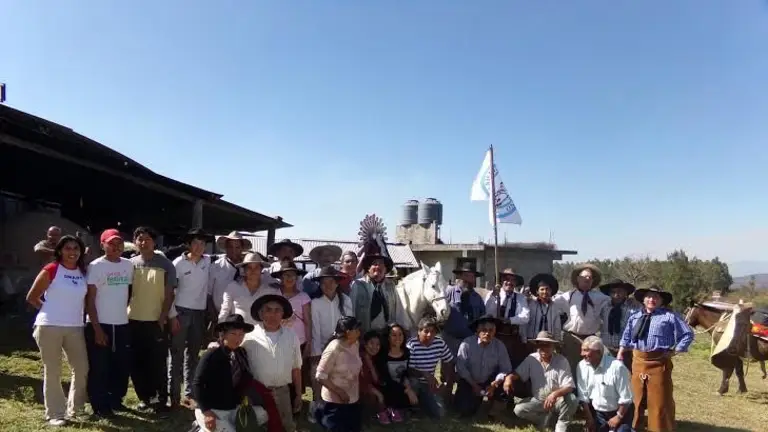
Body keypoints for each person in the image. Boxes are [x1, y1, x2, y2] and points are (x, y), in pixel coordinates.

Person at [25, 235, 89, 426]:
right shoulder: (51, 269)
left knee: (82, 368)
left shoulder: (83, 272)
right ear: (60, 251)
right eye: (68, 248)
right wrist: (50, 310)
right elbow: (32, 297)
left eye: (76, 248)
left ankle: (76, 409)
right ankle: (55, 413)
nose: (72, 252)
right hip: (49, 326)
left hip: (75, 327)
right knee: (53, 370)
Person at [618, 285, 694, 432]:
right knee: (636, 398)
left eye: (656, 297)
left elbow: (687, 334)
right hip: (637, 362)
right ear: (643, 299)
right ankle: (634, 428)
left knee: (659, 400)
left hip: (659, 363)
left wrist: (674, 351)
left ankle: (659, 428)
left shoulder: (669, 317)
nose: (651, 299)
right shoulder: (635, 317)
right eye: (648, 296)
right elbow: (626, 336)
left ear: (661, 301)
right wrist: (621, 352)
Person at [84, 229, 134, 418]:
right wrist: (96, 329)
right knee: (100, 366)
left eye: (119, 243)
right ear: (102, 245)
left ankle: (116, 400)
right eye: (111, 243)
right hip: (100, 323)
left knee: (120, 364)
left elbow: (128, 292)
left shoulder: (128, 265)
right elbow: (90, 300)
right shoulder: (96, 266)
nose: (116, 247)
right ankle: (99, 405)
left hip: (121, 323)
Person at [128, 226, 178, 414]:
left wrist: (163, 317)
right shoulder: (130, 264)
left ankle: (161, 400)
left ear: (154, 242)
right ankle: (144, 398)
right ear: (135, 242)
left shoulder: (166, 264)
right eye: (140, 239)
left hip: (157, 321)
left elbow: (169, 294)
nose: (143, 242)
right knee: (137, 362)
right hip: (133, 320)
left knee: (157, 362)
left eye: (147, 239)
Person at [190, 314, 269, 432]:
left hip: (232, 407)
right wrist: (207, 413)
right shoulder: (211, 355)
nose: (238, 338)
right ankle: (200, 427)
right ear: (224, 334)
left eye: (241, 334)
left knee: (262, 414)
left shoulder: (241, 354)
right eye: (233, 334)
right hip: (213, 409)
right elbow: (197, 384)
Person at [243, 294, 303, 432]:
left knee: (285, 427)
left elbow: (296, 368)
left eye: (277, 310)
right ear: (261, 313)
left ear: (282, 314)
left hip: (283, 393)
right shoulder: (249, 337)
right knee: (259, 428)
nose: (273, 314)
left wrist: (299, 394)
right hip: (257, 395)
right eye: (268, 310)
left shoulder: (291, 336)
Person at [170, 228, 214, 408]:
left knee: (194, 355)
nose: (199, 247)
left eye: (202, 243)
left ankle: (190, 394)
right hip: (180, 312)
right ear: (188, 244)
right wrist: (172, 315)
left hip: (199, 313)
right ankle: (173, 395)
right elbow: (171, 291)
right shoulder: (178, 263)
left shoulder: (208, 262)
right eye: (195, 243)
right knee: (176, 354)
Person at [510, 331, 578, 432]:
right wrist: (509, 378)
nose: (543, 348)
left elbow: (569, 386)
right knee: (519, 410)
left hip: (558, 400)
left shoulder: (561, 360)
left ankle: (561, 426)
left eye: (547, 345)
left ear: (553, 346)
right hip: (539, 400)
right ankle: (545, 420)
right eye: (540, 345)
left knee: (572, 399)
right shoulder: (531, 358)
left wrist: (554, 394)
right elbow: (518, 373)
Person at [309, 266, 353, 421]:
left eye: (331, 281)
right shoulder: (315, 303)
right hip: (322, 348)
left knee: (340, 377)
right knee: (316, 378)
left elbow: (350, 326)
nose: (328, 285)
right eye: (324, 282)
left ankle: (338, 406)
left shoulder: (346, 300)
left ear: (337, 282)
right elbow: (315, 330)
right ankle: (315, 406)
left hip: (342, 347)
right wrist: (316, 353)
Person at [555, 263, 610, 378]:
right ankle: (572, 389)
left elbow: (614, 301)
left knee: (591, 368)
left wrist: (631, 300)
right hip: (571, 338)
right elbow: (551, 303)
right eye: (584, 277)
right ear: (578, 279)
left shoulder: (600, 297)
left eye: (590, 277)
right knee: (571, 367)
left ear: (593, 281)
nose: (587, 279)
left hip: (591, 338)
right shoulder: (567, 296)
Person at [454, 315, 514, 418]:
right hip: (470, 380)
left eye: (491, 330)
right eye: (484, 330)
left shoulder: (500, 346)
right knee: (465, 410)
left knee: (504, 388)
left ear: (494, 332)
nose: (487, 333)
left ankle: (494, 411)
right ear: (477, 331)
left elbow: (505, 369)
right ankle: (474, 403)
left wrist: (494, 384)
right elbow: (461, 367)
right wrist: (474, 385)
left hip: (490, 381)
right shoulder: (466, 343)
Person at [313, 316, 364, 432]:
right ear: (348, 332)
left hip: (353, 398)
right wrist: (339, 392)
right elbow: (320, 376)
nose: (359, 332)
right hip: (334, 402)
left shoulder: (355, 344)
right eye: (356, 330)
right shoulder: (334, 349)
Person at [273, 260, 312, 407]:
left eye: (293, 275)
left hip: (299, 342)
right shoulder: (274, 295)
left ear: (297, 278)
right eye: (286, 275)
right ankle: (286, 404)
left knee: (302, 374)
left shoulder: (304, 297)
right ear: (281, 278)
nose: (289, 278)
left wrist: (309, 342)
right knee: (283, 374)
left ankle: (304, 404)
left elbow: (308, 321)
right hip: (279, 341)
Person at [577, 336, 634, 432]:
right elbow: (583, 396)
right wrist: (589, 418)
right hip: (598, 413)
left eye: (586, 350)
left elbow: (626, 398)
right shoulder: (581, 366)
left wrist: (618, 417)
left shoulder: (617, 367)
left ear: (598, 352)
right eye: (582, 350)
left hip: (620, 412)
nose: (582, 354)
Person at [405, 317, 455, 419]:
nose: (429, 335)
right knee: (414, 382)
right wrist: (425, 374)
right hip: (413, 383)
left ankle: (423, 402)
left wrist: (446, 383)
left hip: (429, 384)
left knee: (440, 413)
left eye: (433, 332)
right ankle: (412, 407)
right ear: (419, 331)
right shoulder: (411, 345)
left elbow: (449, 361)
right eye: (426, 331)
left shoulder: (439, 343)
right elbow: (408, 370)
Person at [218, 252, 280, 327]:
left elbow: (278, 312)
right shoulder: (232, 287)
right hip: (238, 331)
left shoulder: (270, 290)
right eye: (249, 267)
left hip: (262, 332)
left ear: (261, 269)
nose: (253, 271)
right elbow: (225, 310)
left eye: (256, 267)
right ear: (244, 270)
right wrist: (221, 328)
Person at [374, 323, 417, 423]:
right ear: (388, 337)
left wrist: (408, 387)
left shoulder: (407, 353)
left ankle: (402, 408)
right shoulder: (382, 355)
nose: (398, 338)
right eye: (394, 335)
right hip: (387, 385)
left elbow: (405, 373)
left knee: (414, 382)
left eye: (400, 334)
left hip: (402, 384)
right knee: (391, 388)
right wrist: (407, 390)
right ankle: (390, 409)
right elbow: (385, 378)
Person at [442, 261, 486, 357]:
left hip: (470, 342)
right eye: (466, 276)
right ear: (459, 276)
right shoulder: (448, 292)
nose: (469, 279)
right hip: (450, 342)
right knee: (449, 365)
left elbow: (483, 318)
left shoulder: (477, 298)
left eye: (472, 276)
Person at [349, 252, 398, 332]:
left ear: (386, 270)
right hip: (365, 334)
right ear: (368, 268)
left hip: (386, 333)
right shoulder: (357, 285)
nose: (378, 266)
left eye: (381, 264)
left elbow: (395, 311)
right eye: (374, 264)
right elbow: (351, 312)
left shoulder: (391, 286)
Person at [599, 279, 640, 371]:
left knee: (627, 376)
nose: (616, 295)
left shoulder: (634, 308)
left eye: (620, 292)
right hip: (607, 350)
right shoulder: (604, 307)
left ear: (626, 293)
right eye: (613, 292)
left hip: (627, 351)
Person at [208, 232, 251, 316]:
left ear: (242, 248)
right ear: (226, 248)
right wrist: (213, 315)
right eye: (230, 247)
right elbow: (208, 294)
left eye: (237, 247)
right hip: (220, 315)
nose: (233, 250)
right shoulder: (216, 266)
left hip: (243, 316)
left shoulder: (249, 267)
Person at [526, 274, 567, 342]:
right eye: (542, 289)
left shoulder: (555, 307)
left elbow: (557, 327)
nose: (545, 292)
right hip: (532, 340)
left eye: (547, 289)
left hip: (549, 341)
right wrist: (524, 339)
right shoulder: (531, 305)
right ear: (537, 291)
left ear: (551, 291)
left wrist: (557, 341)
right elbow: (525, 324)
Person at [358, 331, 386, 421]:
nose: (375, 347)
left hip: (371, 386)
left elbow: (376, 379)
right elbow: (360, 381)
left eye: (378, 344)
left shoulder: (375, 358)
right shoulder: (359, 358)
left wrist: (371, 366)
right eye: (371, 343)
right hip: (359, 389)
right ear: (365, 344)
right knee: (373, 396)